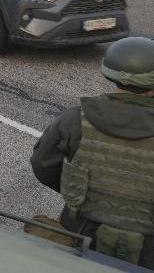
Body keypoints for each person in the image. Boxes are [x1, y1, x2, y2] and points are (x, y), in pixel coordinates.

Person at [31, 37, 154, 267]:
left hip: (79, 236)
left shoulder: (75, 120)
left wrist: (80, 191)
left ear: (111, 73)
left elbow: (42, 166)